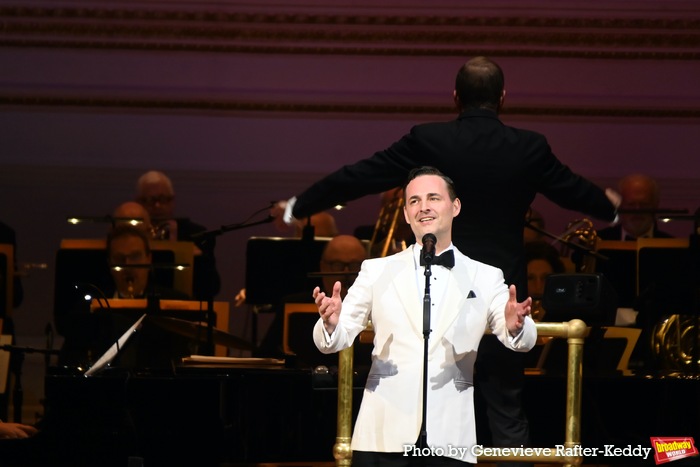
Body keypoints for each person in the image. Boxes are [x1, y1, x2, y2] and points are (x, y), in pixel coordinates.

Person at [272, 56, 618, 462]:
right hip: (504, 296)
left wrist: (302, 204)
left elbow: (361, 175)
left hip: (478, 296)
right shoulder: (528, 147)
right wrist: (607, 207)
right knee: (506, 412)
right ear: (503, 98)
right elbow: (571, 188)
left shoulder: (430, 139)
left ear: (455, 97)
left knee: (440, 403)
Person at [312, 167, 536, 465]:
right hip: (382, 434)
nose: (424, 207)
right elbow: (335, 341)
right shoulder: (376, 270)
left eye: (433, 198)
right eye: (414, 201)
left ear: (455, 207)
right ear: (406, 214)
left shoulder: (485, 276)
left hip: (450, 438)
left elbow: (520, 341)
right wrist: (330, 323)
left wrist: (516, 325)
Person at [58, 225, 191, 368]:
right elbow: (69, 360)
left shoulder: (174, 304)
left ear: (149, 258)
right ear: (109, 262)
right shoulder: (88, 309)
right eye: (120, 258)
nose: (127, 265)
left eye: (135, 257)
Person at [255, 234, 367, 363]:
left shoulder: (378, 306)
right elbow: (267, 355)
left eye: (354, 265)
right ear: (323, 267)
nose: (346, 273)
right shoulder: (293, 306)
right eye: (337, 265)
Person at [136, 170, 221, 301]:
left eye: (163, 199)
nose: (157, 205)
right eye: (150, 200)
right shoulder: (130, 234)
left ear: (172, 201)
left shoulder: (196, 234)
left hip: (185, 308)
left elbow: (212, 288)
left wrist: (198, 260)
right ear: (139, 202)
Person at [597, 173, 673, 240]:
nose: (637, 209)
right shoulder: (599, 241)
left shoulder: (673, 247)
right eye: (631, 204)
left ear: (655, 205)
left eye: (644, 204)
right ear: (620, 205)